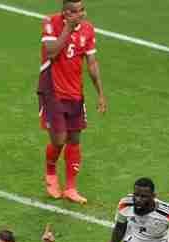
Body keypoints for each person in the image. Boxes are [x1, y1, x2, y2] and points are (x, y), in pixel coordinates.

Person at [38, 0, 106, 204]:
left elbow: (92, 63)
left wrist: (100, 93)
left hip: (75, 92)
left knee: (74, 139)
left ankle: (71, 188)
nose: (82, 14)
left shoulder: (88, 29)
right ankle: (51, 173)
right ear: (66, 12)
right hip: (52, 90)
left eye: (82, 10)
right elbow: (51, 52)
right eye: (76, 11)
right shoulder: (51, 22)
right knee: (59, 140)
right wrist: (68, 28)